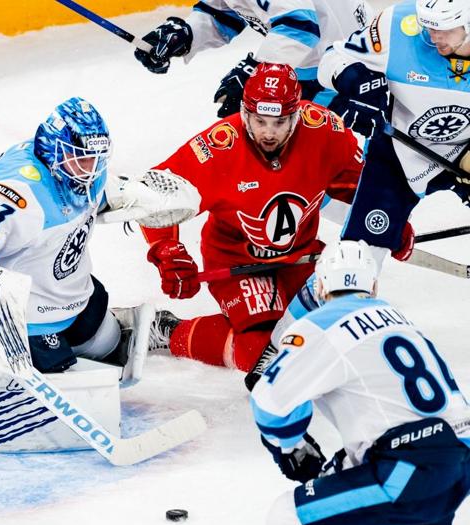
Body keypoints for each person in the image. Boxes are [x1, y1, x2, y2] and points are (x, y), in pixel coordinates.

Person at [132, 62, 366, 374]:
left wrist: (385, 219)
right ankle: (170, 330)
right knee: (261, 353)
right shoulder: (217, 147)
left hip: (302, 255)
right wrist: (167, 251)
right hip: (236, 261)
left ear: (296, 114)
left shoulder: (324, 131)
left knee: (348, 328)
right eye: (260, 121)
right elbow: (153, 194)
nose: (268, 133)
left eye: (279, 122)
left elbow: (357, 184)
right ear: (245, 113)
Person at [0, 96, 155, 379]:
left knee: (101, 329)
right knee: (56, 368)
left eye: (96, 159)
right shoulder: (15, 192)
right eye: (82, 159)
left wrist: (126, 193)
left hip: (52, 291)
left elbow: (81, 196)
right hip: (0, 313)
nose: (91, 169)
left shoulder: (74, 169)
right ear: (55, 149)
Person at [250, 239, 470, 525]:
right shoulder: (401, 322)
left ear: (320, 287)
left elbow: (270, 401)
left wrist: (292, 447)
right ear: (373, 287)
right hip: (457, 462)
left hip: (410, 468)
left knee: (287, 515)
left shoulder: (319, 326)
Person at [318, 0, 470, 268]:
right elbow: (332, 59)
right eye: (428, 25)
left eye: (444, 28)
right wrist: (353, 80)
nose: (433, 36)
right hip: (399, 152)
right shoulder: (397, 26)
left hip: (464, 148)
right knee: (358, 255)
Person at [133, 0, 371, 116]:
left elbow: (300, 26)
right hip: (315, 61)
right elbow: (225, 12)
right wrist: (186, 34)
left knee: (311, 165)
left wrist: (254, 72)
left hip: (343, 66)